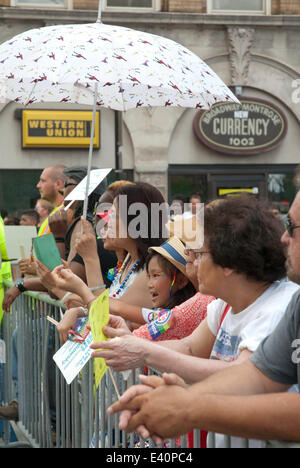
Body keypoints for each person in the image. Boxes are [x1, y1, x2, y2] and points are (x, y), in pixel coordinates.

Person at [108, 192, 300, 446]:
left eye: (199, 254)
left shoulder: (277, 307)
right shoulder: (229, 303)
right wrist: (172, 397)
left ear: (229, 263)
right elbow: (253, 373)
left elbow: (245, 374)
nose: (284, 238)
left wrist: (185, 402)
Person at [36, 164, 66, 236]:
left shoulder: (63, 214)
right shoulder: (57, 212)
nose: (38, 185)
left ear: (58, 184)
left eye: (43, 181)